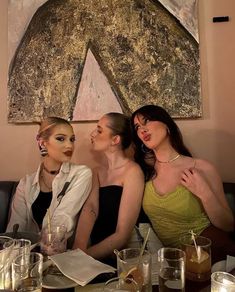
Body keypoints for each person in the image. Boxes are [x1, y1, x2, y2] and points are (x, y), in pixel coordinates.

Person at [130, 104, 235, 263]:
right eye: (137, 127)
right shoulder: (143, 172)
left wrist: (204, 193)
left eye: (147, 121)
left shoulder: (200, 167)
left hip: (207, 253)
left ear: (166, 124)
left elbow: (228, 224)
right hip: (169, 261)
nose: (142, 129)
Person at [73, 112, 144, 265]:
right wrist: (77, 250)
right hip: (93, 253)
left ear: (115, 139)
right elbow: (90, 209)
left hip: (122, 257)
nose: (93, 134)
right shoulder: (96, 172)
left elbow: (122, 234)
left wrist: (84, 257)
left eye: (99, 130)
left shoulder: (132, 172)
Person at [7, 117, 92, 239]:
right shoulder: (26, 183)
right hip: (29, 253)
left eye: (72, 139)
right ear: (42, 143)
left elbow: (63, 221)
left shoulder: (81, 174)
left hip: (63, 254)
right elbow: (15, 229)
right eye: (60, 139)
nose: (69, 145)